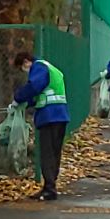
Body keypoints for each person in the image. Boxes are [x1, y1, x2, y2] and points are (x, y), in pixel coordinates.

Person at [10, 52, 70, 201]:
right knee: (55, 152)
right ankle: (50, 185)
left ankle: (49, 188)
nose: (25, 71)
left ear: (26, 62)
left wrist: (18, 98)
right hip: (60, 114)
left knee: (47, 152)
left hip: (49, 116)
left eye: (22, 67)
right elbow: (42, 92)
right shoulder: (51, 68)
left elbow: (35, 86)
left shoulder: (39, 67)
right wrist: (27, 103)